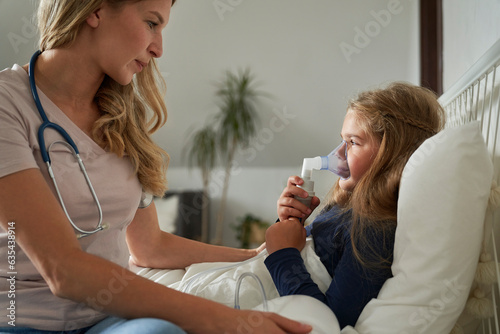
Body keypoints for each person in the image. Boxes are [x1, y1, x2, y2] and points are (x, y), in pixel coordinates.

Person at [0, 1, 314, 333]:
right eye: (152, 23)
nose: (159, 48)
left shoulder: (120, 116)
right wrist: (224, 320)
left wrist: (253, 255)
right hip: (23, 321)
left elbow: (149, 246)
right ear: (94, 10)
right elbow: (64, 271)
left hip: (103, 320)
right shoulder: (8, 105)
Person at [264, 82, 446, 329]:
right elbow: (306, 255)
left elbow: (325, 323)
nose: (338, 153)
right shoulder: (343, 207)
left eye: (353, 142)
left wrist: (282, 254)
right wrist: (290, 222)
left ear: (390, 154)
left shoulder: (374, 230)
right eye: (342, 141)